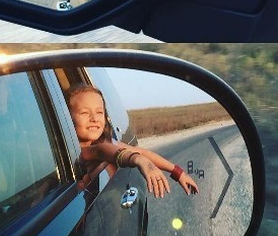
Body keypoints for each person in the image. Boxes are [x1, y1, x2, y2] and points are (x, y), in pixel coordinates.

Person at [65, 83, 199, 198]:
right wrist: (138, 160)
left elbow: (138, 151)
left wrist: (178, 172)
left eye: (99, 112)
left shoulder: (106, 142)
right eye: (84, 113)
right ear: (67, 118)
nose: (94, 118)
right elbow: (102, 151)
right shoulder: (83, 150)